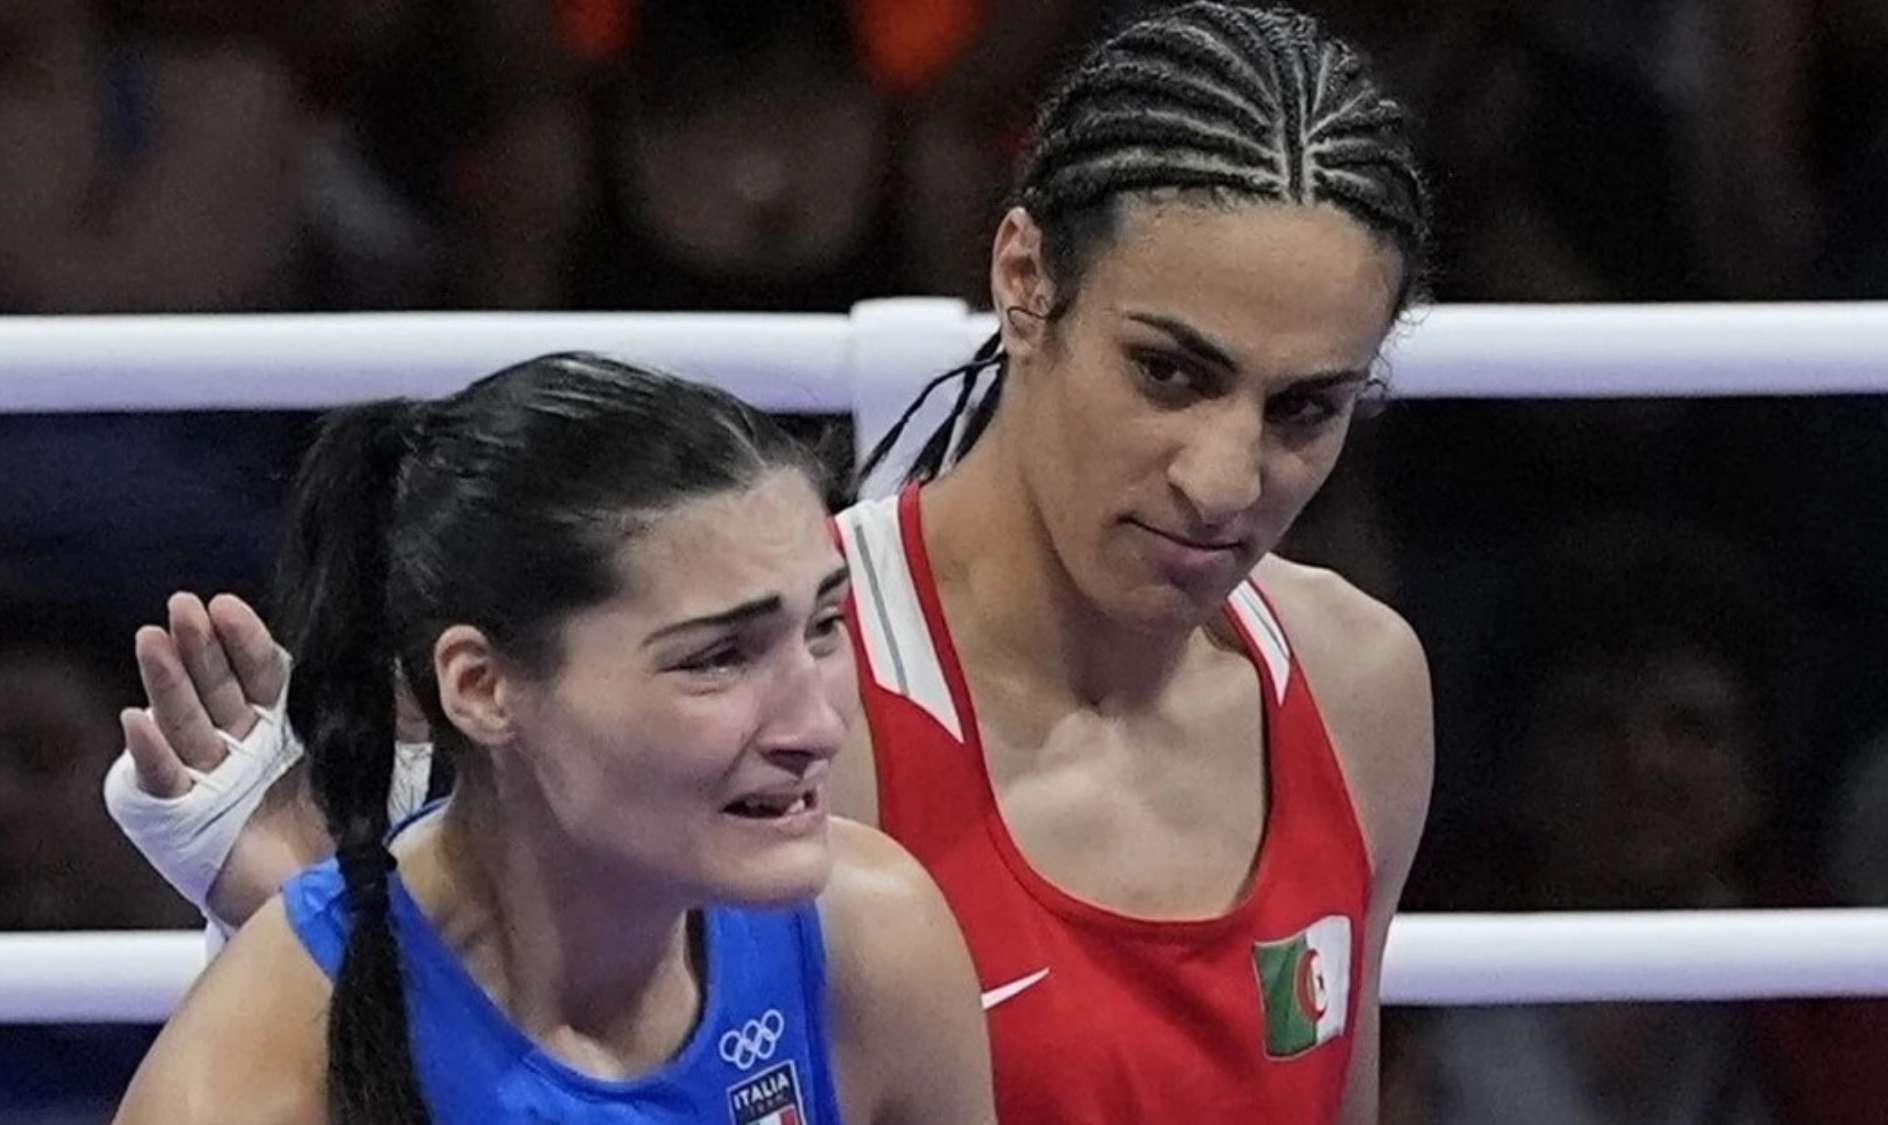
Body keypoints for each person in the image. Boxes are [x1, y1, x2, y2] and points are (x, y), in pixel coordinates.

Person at [107, 5, 1434, 1121]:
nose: (1224, 478)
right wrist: (302, 904)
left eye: (1304, 409)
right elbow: (514, 1041)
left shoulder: (1356, 684)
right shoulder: (755, 695)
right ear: (1025, 279)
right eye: (1167, 373)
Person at [111, 355, 995, 1124]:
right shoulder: (245, 1087)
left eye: (824, 626)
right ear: (482, 687)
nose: (818, 725)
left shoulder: (872, 940)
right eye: (718, 657)